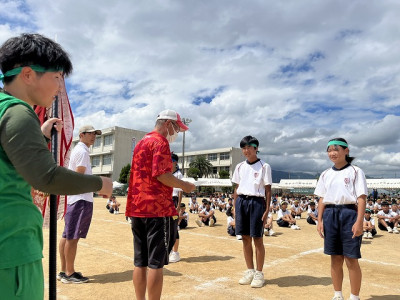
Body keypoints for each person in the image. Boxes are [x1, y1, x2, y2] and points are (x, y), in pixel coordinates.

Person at [0, 33, 112, 299]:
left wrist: (37, 135)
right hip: (11, 246)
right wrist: (100, 183)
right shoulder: (17, 111)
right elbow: (46, 177)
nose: (59, 87)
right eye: (57, 77)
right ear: (28, 74)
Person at [125, 109, 196, 300]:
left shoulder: (141, 142)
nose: (176, 133)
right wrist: (185, 185)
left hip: (137, 208)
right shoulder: (160, 142)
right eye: (176, 128)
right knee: (156, 264)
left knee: (140, 262)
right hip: (156, 209)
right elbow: (162, 175)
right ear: (167, 124)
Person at [315, 137, 368, 300]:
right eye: (329, 150)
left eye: (336, 149)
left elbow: (361, 198)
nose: (332, 153)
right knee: (335, 258)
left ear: (346, 151)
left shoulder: (356, 171)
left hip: (349, 214)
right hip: (330, 215)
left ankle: (354, 296)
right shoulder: (325, 174)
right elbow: (322, 199)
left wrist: (359, 221)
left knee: (351, 259)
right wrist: (319, 220)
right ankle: (337, 294)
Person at [58, 125, 103, 283]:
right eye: (91, 134)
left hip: (75, 198)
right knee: (72, 236)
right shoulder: (82, 151)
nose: (94, 137)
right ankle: (69, 273)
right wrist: (99, 186)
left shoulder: (79, 149)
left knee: (67, 235)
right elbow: (79, 176)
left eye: (95, 134)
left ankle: (64, 270)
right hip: (80, 199)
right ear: (82, 135)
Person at [232, 135, 272, 288]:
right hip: (242, 201)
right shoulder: (240, 166)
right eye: (244, 147)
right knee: (245, 238)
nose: (246, 150)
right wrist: (235, 207)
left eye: (249, 147)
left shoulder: (264, 166)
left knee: (258, 239)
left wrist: (267, 209)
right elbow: (236, 188)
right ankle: (250, 270)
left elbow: (268, 190)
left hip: (257, 202)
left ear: (256, 148)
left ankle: (259, 273)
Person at [169, 153, 183, 263]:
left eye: (171, 160)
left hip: (174, 201)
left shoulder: (178, 174)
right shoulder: (168, 173)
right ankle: (169, 250)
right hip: (167, 201)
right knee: (167, 227)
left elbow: (180, 191)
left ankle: (175, 252)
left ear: (175, 162)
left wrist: (178, 206)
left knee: (174, 227)